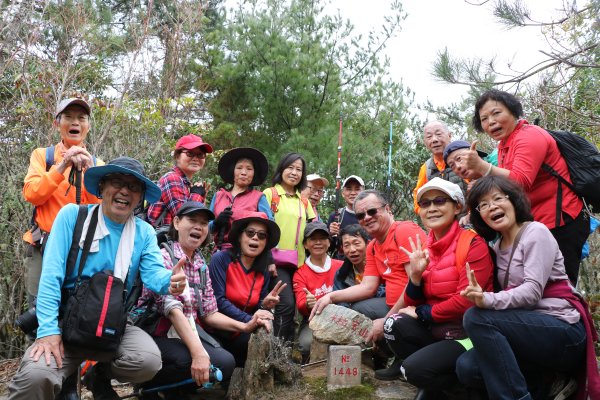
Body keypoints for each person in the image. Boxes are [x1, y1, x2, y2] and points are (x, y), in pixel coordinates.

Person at [8, 157, 188, 400]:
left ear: (140, 197)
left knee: (147, 361)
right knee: (35, 379)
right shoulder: (72, 217)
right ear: (102, 187)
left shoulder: (143, 232)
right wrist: (48, 331)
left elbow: (154, 274)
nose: (125, 191)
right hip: (65, 323)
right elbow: (51, 276)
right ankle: (64, 374)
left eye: (134, 187)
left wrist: (170, 282)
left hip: (112, 324)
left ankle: (97, 373)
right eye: (117, 182)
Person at [456, 175, 597, 400]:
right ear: (479, 215)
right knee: (468, 367)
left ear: (513, 201)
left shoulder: (535, 232)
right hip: (526, 332)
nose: (492, 207)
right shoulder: (496, 246)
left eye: (497, 199)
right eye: (483, 205)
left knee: (477, 317)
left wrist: (487, 300)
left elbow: (531, 292)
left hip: (562, 330)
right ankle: (545, 384)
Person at [135, 202, 272, 399]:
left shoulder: (200, 265)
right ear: (176, 222)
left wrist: (245, 327)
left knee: (225, 363)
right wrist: (199, 353)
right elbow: (173, 310)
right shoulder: (162, 256)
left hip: (186, 333)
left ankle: (175, 387)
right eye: (192, 220)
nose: (198, 227)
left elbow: (209, 313)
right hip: (157, 332)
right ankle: (148, 386)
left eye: (204, 223)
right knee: (186, 360)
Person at [375, 178, 494, 400]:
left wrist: (422, 313)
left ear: (457, 206)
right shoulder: (426, 247)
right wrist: (416, 277)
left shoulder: (473, 245)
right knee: (393, 324)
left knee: (412, 369)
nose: (432, 208)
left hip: (466, 334)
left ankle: (457, 389)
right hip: (435, 330)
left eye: (440, 201)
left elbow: (466, 300)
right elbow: (413, 300)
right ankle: (436, 380)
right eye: (425, 204)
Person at [463, 89, 588, 285]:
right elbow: (506, 185)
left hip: (560, 222)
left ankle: (574, 316)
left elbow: (520, 182)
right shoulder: (505, 145)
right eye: (484, 118)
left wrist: (483, 167)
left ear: (513, 111)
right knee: (537, 286)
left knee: (559, 288)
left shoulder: (529, 136)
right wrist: (480, 176)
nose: (491, 122)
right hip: (537, 224)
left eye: (496, 113)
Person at [311, 190, 427, 356]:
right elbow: (367, 287)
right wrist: (330, 297)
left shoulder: (403, 231)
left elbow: (415, 286)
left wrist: (387, 320)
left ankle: (403, 354)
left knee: (382, 319)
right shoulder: (373, 247)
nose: (366, 217)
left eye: (372, 211)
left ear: (388, 209)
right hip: (394, 304)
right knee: (359, 309)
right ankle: (381, 353)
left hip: (417, 305)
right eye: (360, 215)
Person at [22, 97, 103, 304]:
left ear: (88, 126)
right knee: (39, 310)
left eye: (81, 118)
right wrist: (62, 166)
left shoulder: (97, 164)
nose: (75, 122)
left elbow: (101, 209)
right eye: (68, 117)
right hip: (43, 246)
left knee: (76, 310)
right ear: (57, 123)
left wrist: (89, 171)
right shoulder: (43, 156)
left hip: (81, 251)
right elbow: (32, 194)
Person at [209, 211, 286, 366]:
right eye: (250, 233)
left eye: (262, 235)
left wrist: (264, 305)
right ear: (239, 236)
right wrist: (251, 320)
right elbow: (218, 300)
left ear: (265, 242)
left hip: (241, 334)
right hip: (216, 331)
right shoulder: (221, 259)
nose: (255, 238)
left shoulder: (263, 270)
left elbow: (257, 306)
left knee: (268, 337)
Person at [263, 153, 315, 344]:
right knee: (286, 305)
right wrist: (267, 259)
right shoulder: (270, 194)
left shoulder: (304, 200)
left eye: (299, 169)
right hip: (276, 262)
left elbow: (312, 227)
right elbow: (262, 228)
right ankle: (279, 352)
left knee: (296, 308)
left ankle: (289, 349)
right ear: (282, 169)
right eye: (290, 167)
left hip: (300, 263)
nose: (294, 173)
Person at [292, 221, 343, 363]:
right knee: (306, 344)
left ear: (329, 242)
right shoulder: (300, 273)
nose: (318, 242)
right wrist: (309, 304)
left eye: (322, 238)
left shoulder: (341, 266)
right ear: (305, 245)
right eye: (313, 239)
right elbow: (301, 304)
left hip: (341, 317)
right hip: (314, 320)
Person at [209, 147, 273, 250]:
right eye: (239, 168)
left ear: (254, 173)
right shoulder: (218, 196)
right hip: (219, 254)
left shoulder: (259, 197)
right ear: (233, 171)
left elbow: (269, 227)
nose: (244, 172)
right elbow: (205, 227)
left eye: (249, 168)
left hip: (248, 256)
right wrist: (216, 223)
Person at [147, 134, 213, 227]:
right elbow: (185, 219)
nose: (196, 158)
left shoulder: (185, 183)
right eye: (190, 153)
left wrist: (201, 197)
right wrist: (197, 195)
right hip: (163, 239)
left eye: (200, 155)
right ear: (177, 156)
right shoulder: (172, 178)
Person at [413, 121, 467, 214]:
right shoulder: (426, 168)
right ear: (425, 142)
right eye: (429, 137)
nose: (434, 140)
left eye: (438, 134)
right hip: (442, 224)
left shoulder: (464, 157)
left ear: (449, 136)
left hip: (469, 222)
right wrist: (424, 214)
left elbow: (479, 188)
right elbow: (417, 196)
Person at [327, 175, 365, 259]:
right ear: (343, 193)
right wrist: (330, 234)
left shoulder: (370, 216)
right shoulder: (336, 216)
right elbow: (329, 248)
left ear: (363, 192)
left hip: (367, 265)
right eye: (349, 189)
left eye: (357, 189)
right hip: (341, 266)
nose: (353, 193)